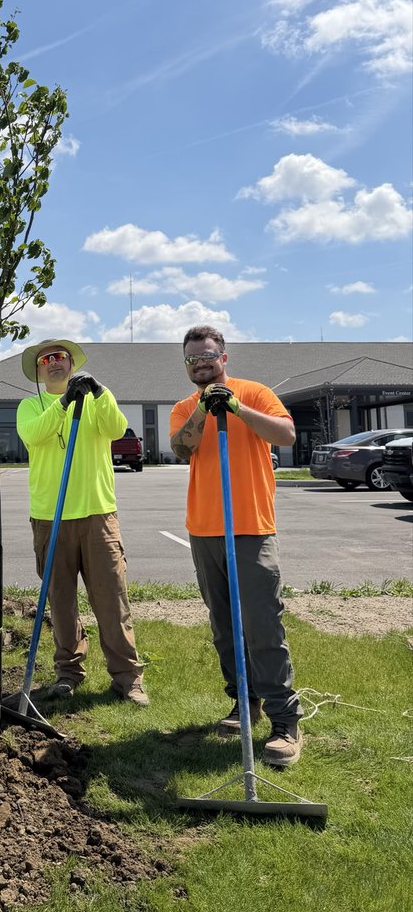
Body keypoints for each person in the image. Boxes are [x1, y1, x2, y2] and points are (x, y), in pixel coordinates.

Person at [169, 325, 303, 766]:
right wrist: (204, 410)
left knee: (262, 623)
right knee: (225, 625)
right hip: (205, 530)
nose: (200, 364)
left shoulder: (256, 393)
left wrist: (236, 407)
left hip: (251, 527)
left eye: (207, 356)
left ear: (223, 357)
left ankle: (285, 720)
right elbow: (181, 449)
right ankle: (244, 701)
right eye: (192, 359)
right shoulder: (184, 407)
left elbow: (286, 435)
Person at [15, 339, 148, 705]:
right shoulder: (30, 406)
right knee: (60, 601)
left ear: (72, 364)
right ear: (39, 370)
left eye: (61, 357)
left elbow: (117, 428)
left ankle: (127, 677)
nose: (54, 363)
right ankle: (68, 672)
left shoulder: (97, 399)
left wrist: (99, 392)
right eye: (47, 359)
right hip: (50, 516)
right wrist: (64, 403)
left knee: (111, 599)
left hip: (97, 513)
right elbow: (34, 435)